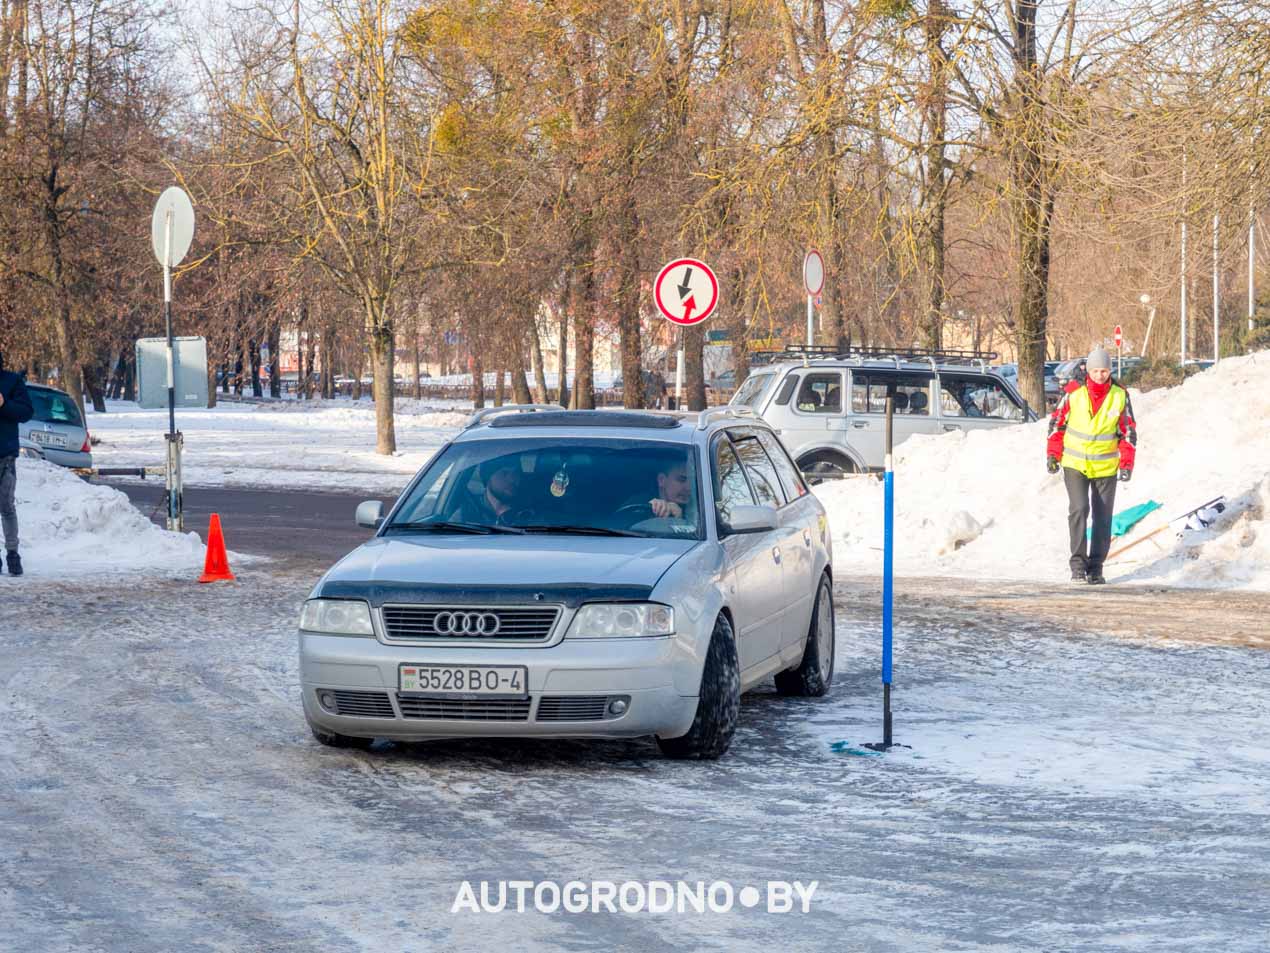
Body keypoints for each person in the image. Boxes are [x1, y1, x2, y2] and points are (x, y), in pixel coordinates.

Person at [1046, 346, 1137, 585]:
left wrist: (1126, 464)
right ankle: (1077, 565)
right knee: (1079, 509)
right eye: (1096, 370)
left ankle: (1096, 567)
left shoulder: (1119, 395)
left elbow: (1128, 433)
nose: (1100, 375)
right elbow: (1057, 425)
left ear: (1109, 371)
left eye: (1104, 371)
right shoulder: (1074, 392)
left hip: (1105, 467)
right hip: (1075, 464)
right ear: (1088, 370)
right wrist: (1053, 455)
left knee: (1102, 518)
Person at [0, 350, 35, 577]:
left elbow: (26, 412)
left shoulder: (12, 381)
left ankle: (13, 554)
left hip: (5, 456)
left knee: (6, 506)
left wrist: (4, 405)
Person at [450, 457, 526, 526]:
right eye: (504, 473)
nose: (513, 479)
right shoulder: (465, 514)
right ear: (487, 477)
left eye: (516, 473)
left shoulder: (529, 510)